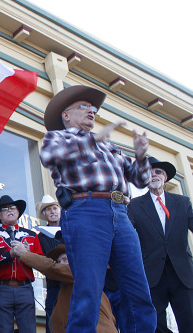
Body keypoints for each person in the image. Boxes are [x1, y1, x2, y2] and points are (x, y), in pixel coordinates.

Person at [39, 85, 156, 333]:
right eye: (84, 107)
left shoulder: (110, 147)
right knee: (89, 289)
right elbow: (50, 156)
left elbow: (139, 179)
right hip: (86, 210)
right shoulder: (58, 137)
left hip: (120, 212)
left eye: (93, 109)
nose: (91, 111)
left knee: (139, 289)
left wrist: (142, 155)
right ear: (66, 115)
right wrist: (96, 139)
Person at [127, 157, 193, 333]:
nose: (154, 175)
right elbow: (126, 235)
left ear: (165, 177)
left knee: (190, 322)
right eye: (149, 172)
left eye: (158, 172)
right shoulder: (134, 205)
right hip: (152, 275)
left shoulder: (183, 202)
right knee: (155, 325)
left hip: (183, 274)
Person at [17, 239, 117, 333]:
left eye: (65, 259)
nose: (61, 264)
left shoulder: (79, 272)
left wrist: (26, 255)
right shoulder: (67, 288)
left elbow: (51, 267)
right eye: (59, 261)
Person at [0, 195, 43, 333]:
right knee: (4, 330)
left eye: (12, 207)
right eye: (4, 209)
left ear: (18, 212)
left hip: (25, 288)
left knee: (29, 330)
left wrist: (28, 255)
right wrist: (9, 255)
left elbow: (41, 262)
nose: (9, 210)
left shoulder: (32, 235)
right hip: (1, 289)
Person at [35, 194, 62, 333]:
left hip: (74, 284)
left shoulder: (71, 229)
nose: (53, 211)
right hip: (53, 286)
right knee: (52, 324)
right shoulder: (40, 237)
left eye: (54, 208)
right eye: (48, 209)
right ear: (44, 215)